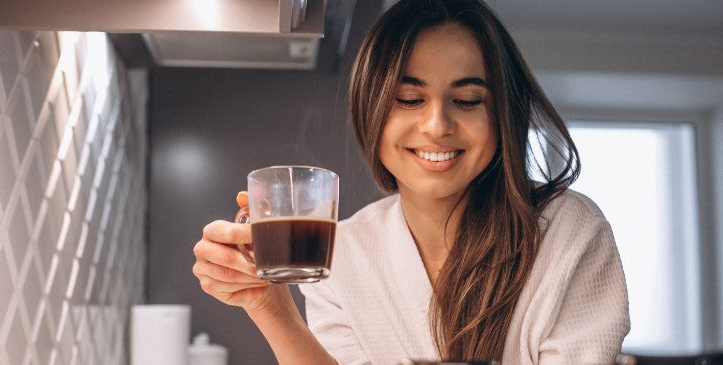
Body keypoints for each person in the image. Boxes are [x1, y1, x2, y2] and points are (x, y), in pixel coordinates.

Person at [191, 0, 630, 363]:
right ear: (371, 109)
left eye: (467, 100)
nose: (437, 124)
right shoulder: (344, 253)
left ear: (502, 115)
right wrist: (269, 308)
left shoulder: (568, 232)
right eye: (409, 99)